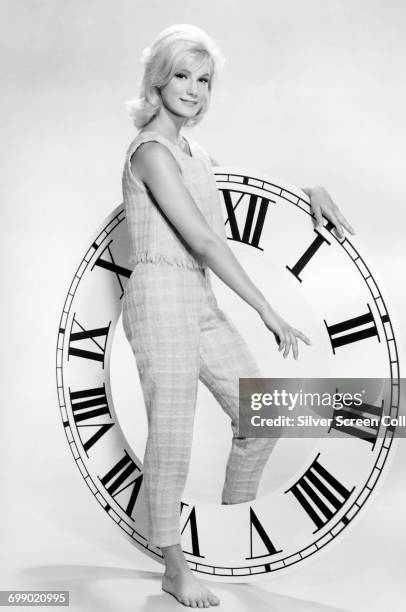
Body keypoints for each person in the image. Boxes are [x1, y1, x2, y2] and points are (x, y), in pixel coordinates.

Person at [121, 24, 355, 609]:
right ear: (157, 80)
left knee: (262, 415)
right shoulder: (150, 152)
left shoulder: (195, 153)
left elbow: (245, 197)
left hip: (197, 301)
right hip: (159, 297)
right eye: (182, 75)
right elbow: (202, 239)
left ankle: (229, 528)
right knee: (171, 434)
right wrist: (267, 308)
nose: (195, 89)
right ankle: (174, 566)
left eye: (204, 80)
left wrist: (309, 193)